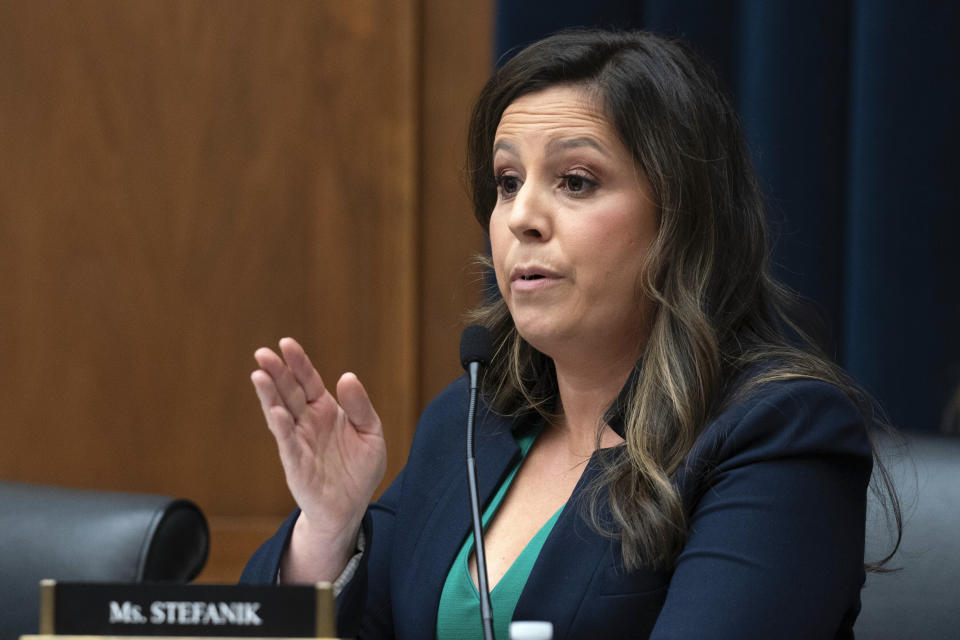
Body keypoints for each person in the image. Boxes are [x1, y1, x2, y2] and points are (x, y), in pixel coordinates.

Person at [241, 29, 898, 639]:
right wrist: (327, 533)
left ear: (681, 220)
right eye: (506, 182)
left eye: (575, 181)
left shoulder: (778, 435)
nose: (521, 216)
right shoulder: (472, 423)